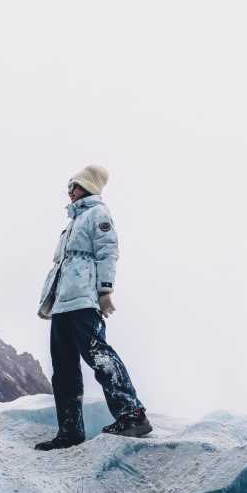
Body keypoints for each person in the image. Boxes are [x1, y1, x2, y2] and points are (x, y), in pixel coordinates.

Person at [33, 165, 152, 450]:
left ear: (84, 185)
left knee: (98, 355)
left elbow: (108, 251)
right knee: (63, 369)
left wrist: (105, 291)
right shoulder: (73, 221)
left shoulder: (98, 214)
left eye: (72, 185)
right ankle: (70, 431)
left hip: (84, 300)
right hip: (63, 303)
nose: (69, 191)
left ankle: (132, 413)